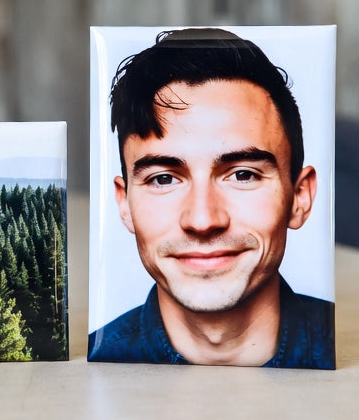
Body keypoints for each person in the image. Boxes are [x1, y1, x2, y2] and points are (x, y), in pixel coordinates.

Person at [88, 28, 335, 369]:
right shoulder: (93, 375)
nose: (203, 220)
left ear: (300, 196)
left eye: (243, 175)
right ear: (124, 203)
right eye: (163, 179)